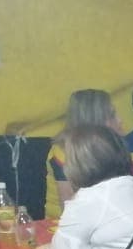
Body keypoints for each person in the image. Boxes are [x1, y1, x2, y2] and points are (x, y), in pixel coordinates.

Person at [46, 89, 124, 220]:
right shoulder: (63, 152)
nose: (120, 120)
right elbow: (69, 208)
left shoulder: (114, 148)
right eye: (112, 116)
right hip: (63, 226)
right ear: (94, 121)